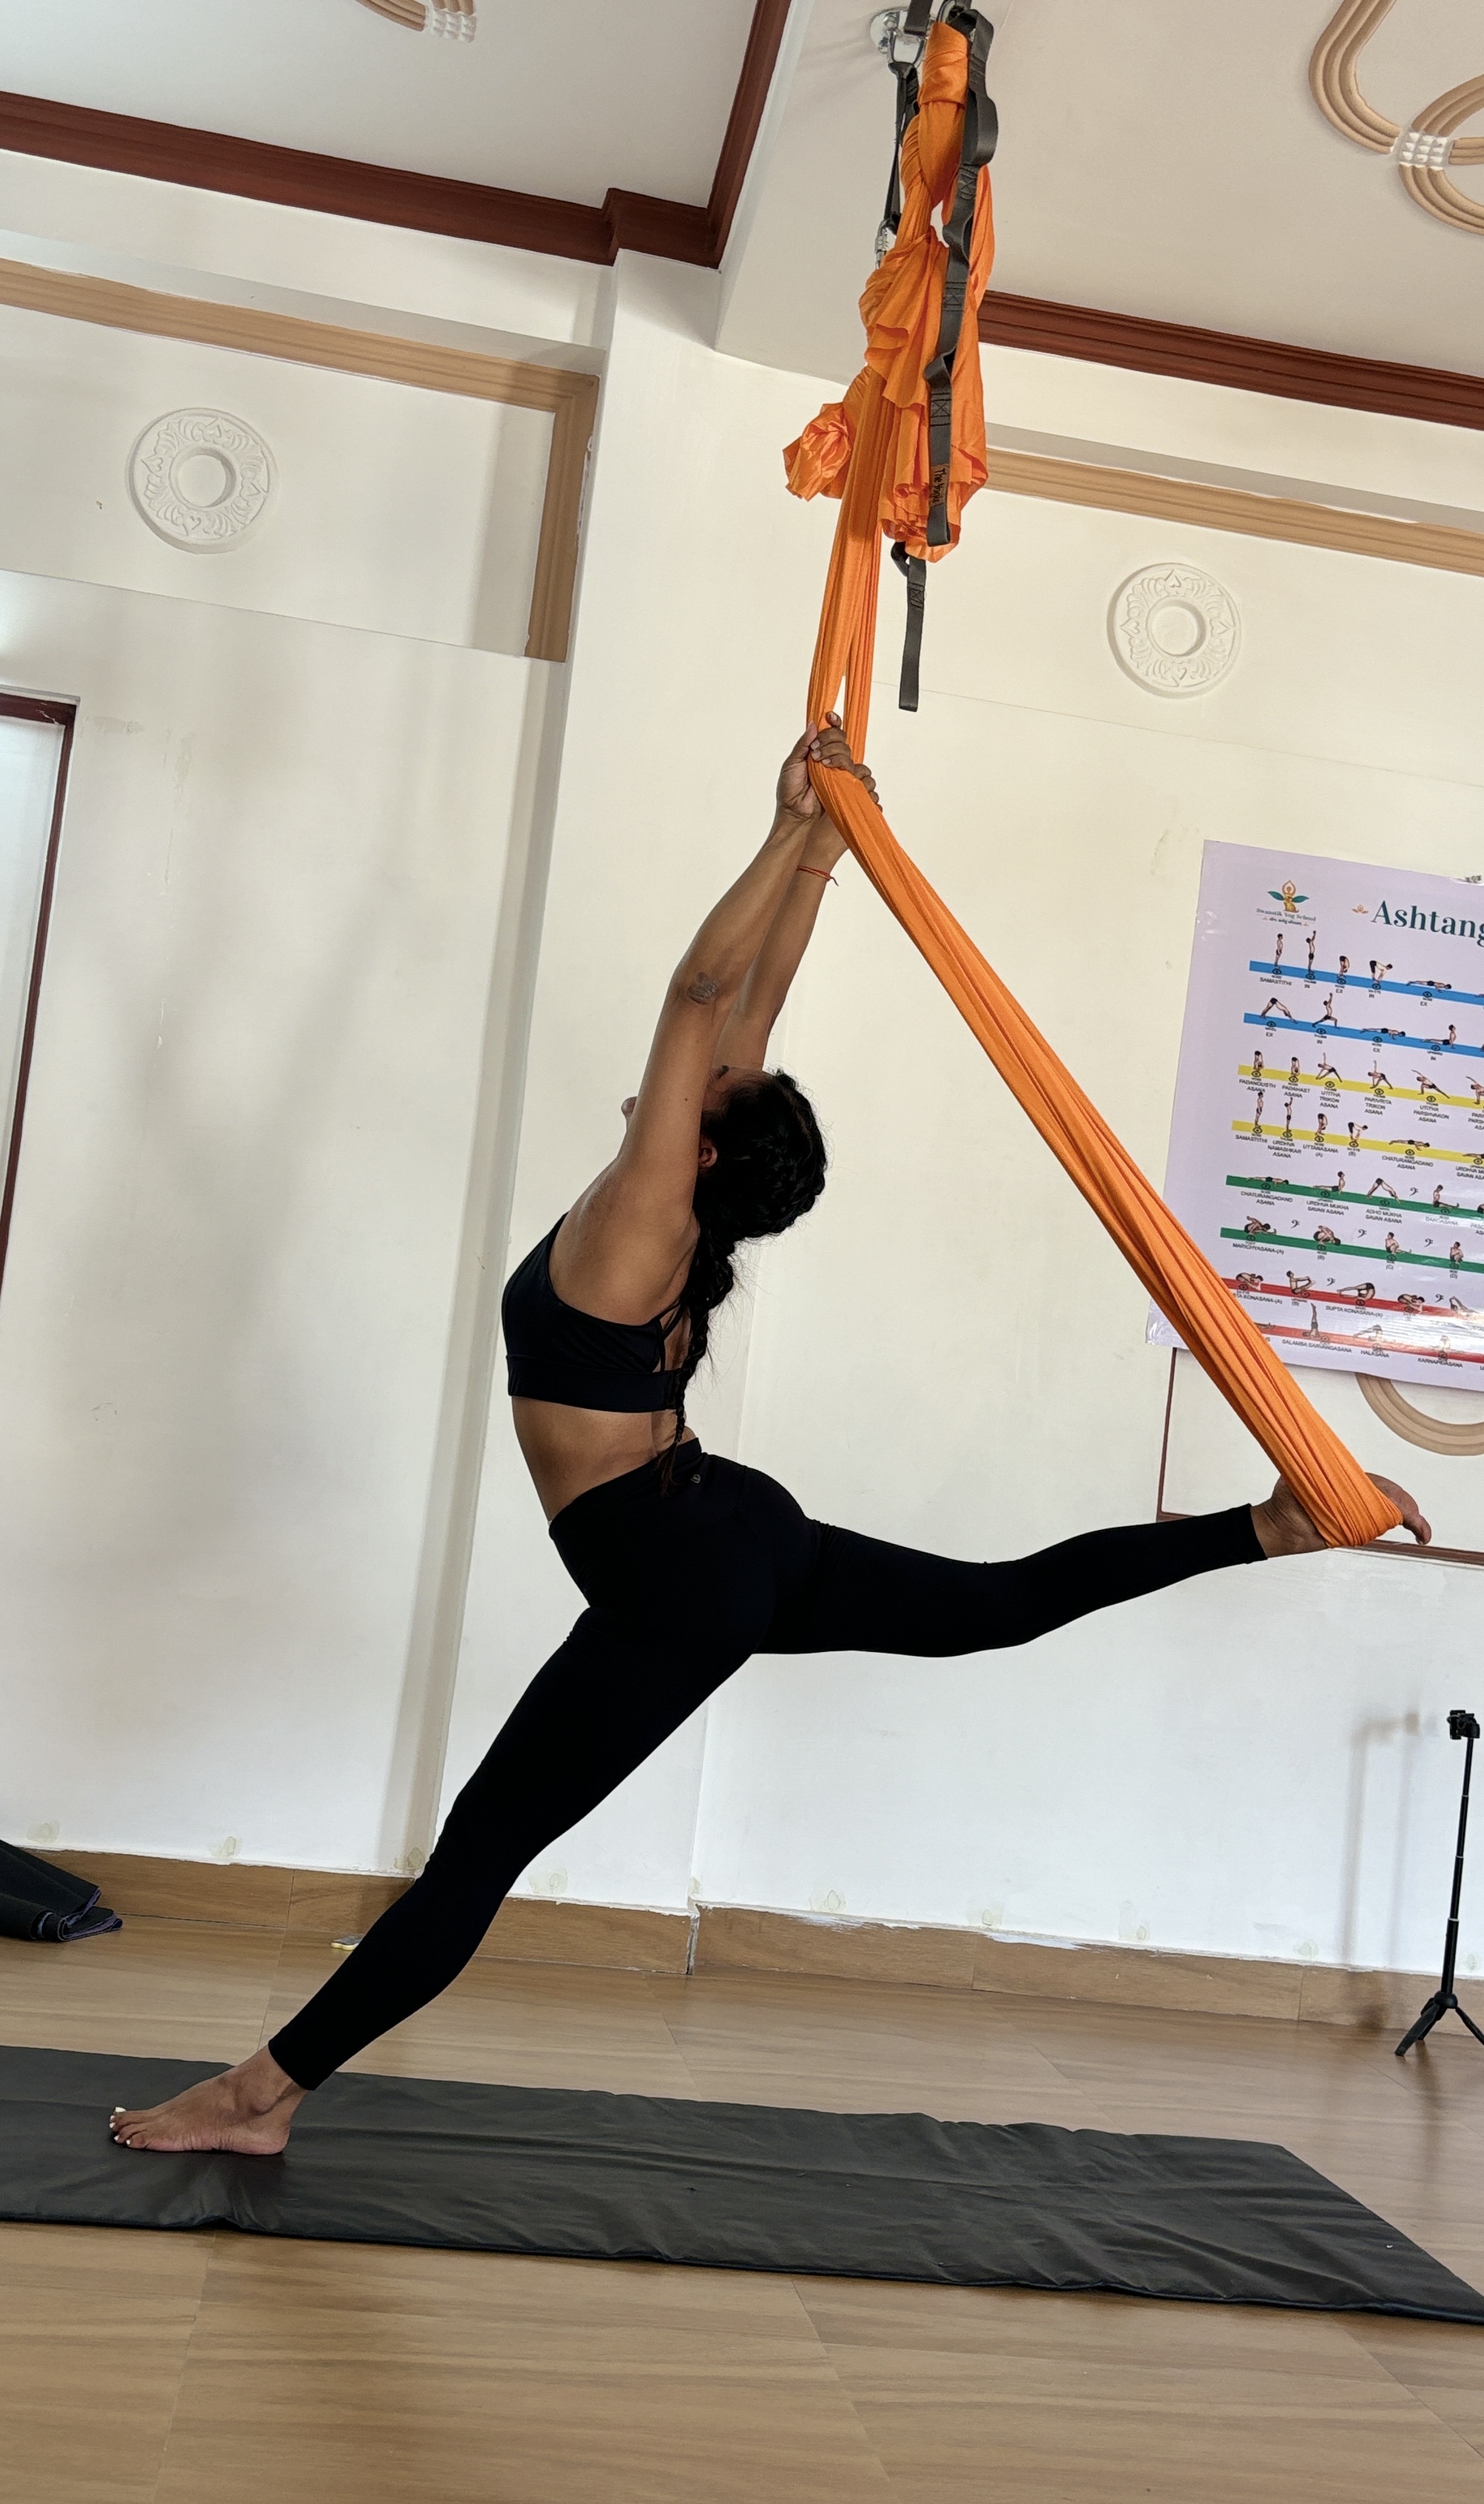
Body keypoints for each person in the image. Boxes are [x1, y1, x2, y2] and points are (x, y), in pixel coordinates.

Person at [108, 721, 1430, 2158]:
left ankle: (260, 2097)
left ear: (705, 1150)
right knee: (987, 1608)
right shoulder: (682, 1206)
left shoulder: (646, 1214)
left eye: (706, 1098)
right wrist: (820, 838)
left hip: (681, 1568)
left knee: (481, 1854)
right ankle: (1263, 1530)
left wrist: (784, 828)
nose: (702, 1075)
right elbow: (753, 1002)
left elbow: (699, 995)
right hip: (723, 1530)